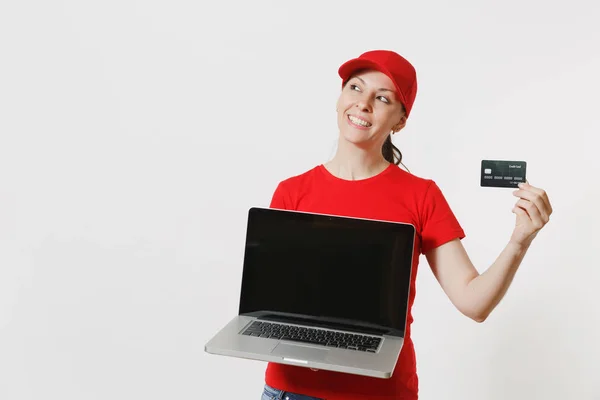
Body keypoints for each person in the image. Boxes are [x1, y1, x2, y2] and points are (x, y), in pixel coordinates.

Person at [260, 50, 553, 400]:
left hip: (382, 392)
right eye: (355, 88)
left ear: (400, 120)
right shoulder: (292, 192)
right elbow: (271, 302)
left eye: (382, 98)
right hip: (293, 390)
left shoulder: (421, 196)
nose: (363, 104)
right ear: (340, 99)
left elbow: (474, 304)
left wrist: (519, 241)